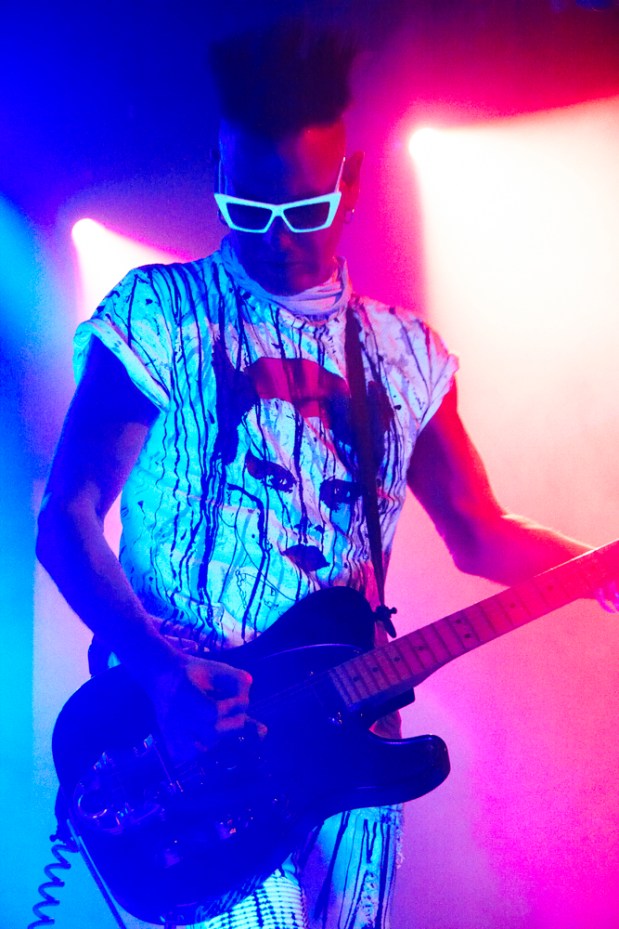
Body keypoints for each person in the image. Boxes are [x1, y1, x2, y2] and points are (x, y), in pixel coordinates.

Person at [36, 19, 618, 929]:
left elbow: (480, 535)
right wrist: (160, 674)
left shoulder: (401, 353)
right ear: (218, 173)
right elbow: (66, 516)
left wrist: (596, 566)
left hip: (350, 741)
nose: (275, 239)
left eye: (303, 211)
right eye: (248, 209)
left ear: (348, 181)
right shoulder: (158, 312)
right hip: (189, 740)